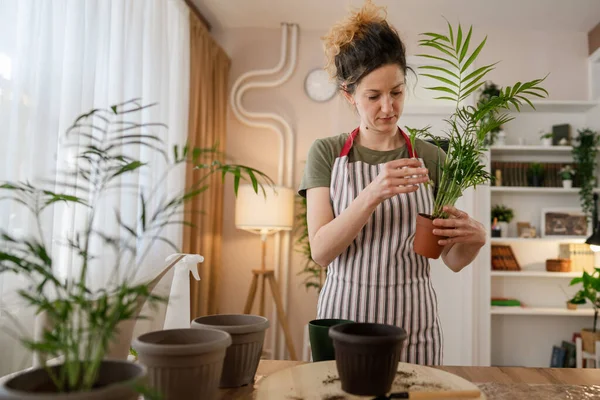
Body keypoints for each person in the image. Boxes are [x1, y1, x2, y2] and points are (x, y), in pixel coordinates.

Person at [298, 0, 486, 365]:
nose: (388, 107)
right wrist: (372, 193)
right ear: (348, 95)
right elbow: (321, 252)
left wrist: (474, 241)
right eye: (373, 96)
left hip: (413, 329)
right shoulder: (327, 153)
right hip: (343, 323)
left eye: (397, 92)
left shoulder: (431, 158)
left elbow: (449, 258)